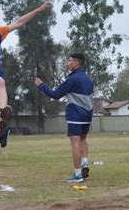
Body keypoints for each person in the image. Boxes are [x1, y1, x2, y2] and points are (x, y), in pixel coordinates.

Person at [34, 53, 93, 183]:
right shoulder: (88, 79)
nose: (67, 63)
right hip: (87, 115)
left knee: (75, 143)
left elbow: (55, 94)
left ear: (76, 63)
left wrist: (41, 85)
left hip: (75, 115)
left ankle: (78, 175)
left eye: (69, 61)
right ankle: (84, 164)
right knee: (83, 139)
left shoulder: (72, 79)